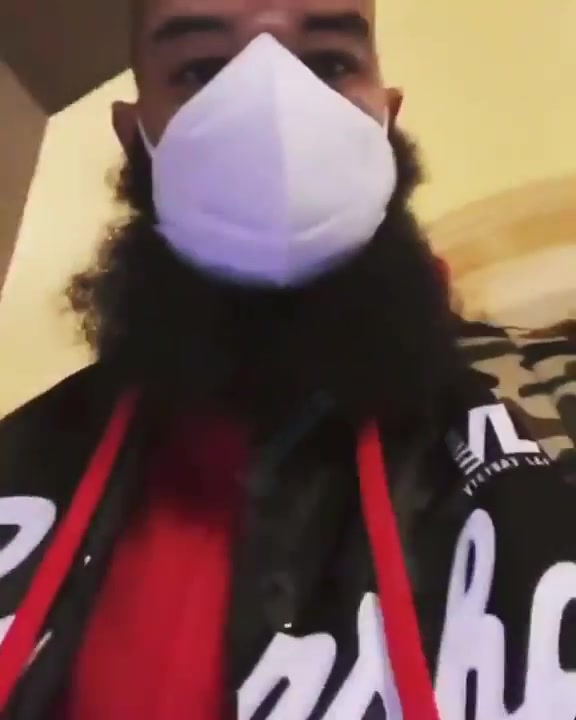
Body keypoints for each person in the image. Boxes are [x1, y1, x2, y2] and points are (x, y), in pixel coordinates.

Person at [0, 0, 575, 718]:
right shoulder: (23, 463)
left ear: (386, 119)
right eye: (201, 70)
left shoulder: (548, 406)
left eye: (330, 63)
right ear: (135, 139)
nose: (273, 108)